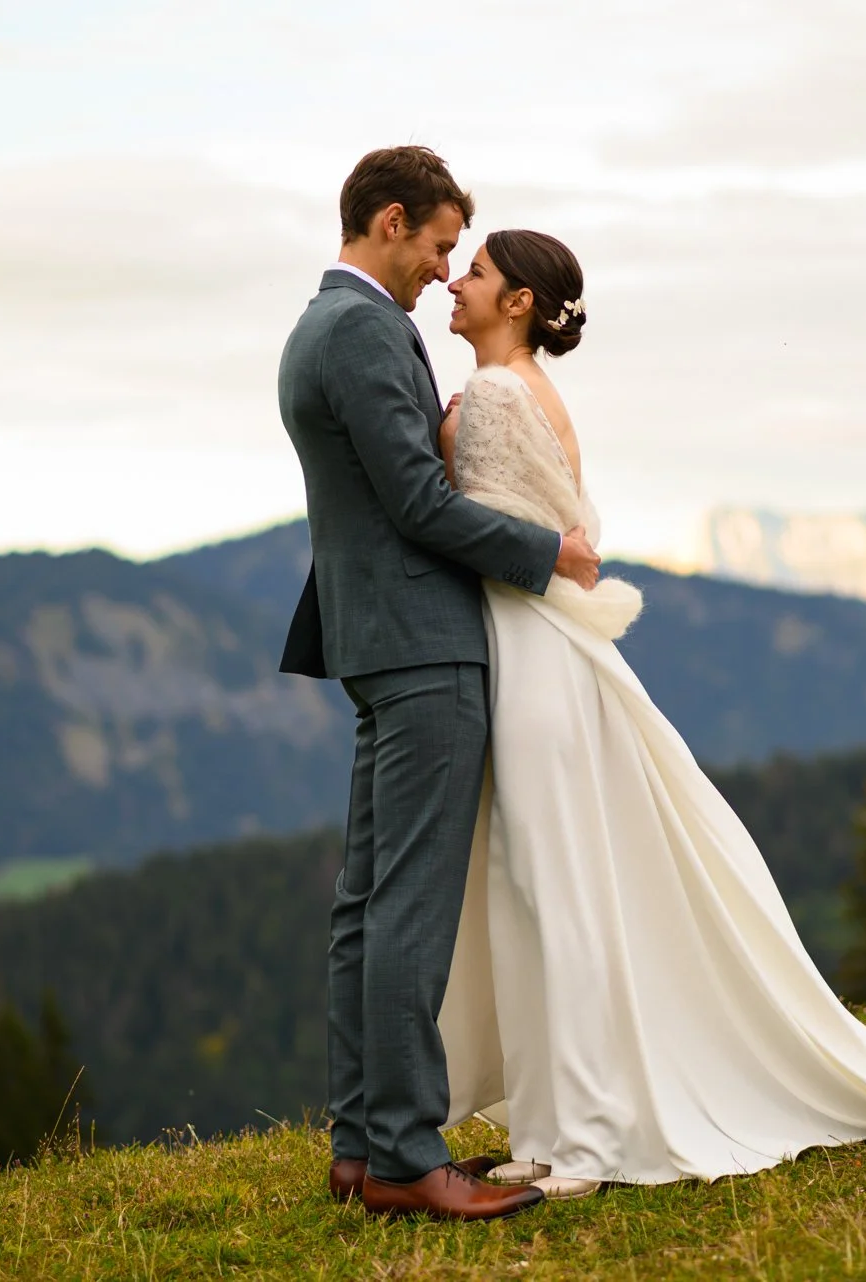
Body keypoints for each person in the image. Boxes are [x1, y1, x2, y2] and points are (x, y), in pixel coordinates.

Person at [432, 229, 866, 1202]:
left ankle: (587, 1141)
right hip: (544, 652)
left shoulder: (494, 395)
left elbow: (537, 541)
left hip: (533, 656)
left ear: (517, 300)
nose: (457, 283)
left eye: (475, 273)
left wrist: (437, 457)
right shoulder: (528, 392)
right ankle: (557, 1128)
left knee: (552, 891)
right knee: (544, 889)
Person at [276, 146, 600, 1222]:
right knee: (407, 906)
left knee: (367, 904)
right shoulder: (367, 328)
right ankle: (409, 1157)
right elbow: (417, 504)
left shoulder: (319, 325)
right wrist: (544, 553)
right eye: (440, 245)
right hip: (422, 646)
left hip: (374, 643)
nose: (442, 268)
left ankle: (363, 1144)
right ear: (392, 222)